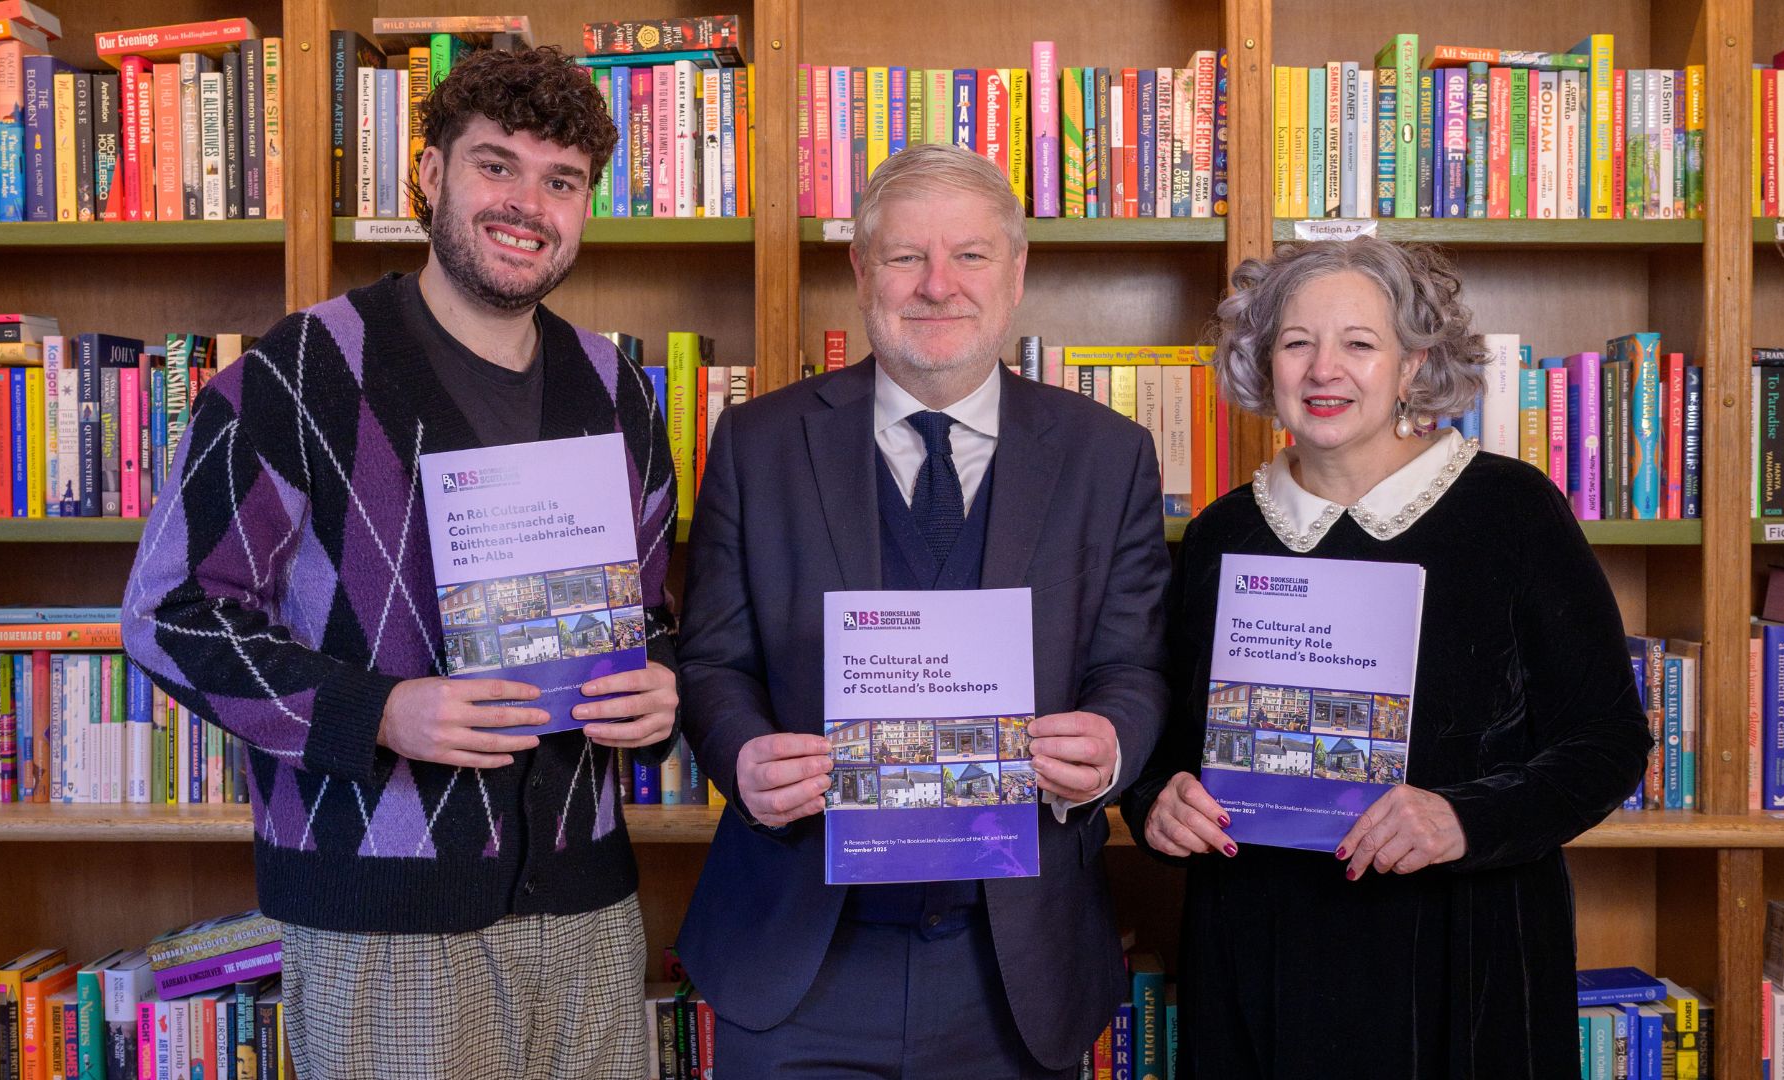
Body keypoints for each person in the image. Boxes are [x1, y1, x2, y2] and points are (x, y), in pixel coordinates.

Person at [121, 47, 680, 1080]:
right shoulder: (303, 372)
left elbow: (648, 615)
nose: (528, 204)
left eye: (561, 182)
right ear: (429, 176)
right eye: (495, 165)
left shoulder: (616, 387)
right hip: (382, 917)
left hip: (588, 908)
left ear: (587, 207)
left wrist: (660, 690)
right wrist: (376, 713)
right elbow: (172, 615)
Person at [675, 142, 1172, 1076]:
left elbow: (1134, 666)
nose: (938, 285)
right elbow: (711, 663)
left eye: (971, 256)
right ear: (863, 272)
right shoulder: (757, 443)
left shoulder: (1110, 455)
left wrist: (1109, 745)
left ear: (1016, 273)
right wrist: (739, 755)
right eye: (906, 256)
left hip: (1013, 963)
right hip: (801, 957)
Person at [1121, 237, 1654, 1078]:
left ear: (1413, 366)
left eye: (1359, 344)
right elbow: (1175, 745)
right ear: (1265, 364)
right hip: (1258, 953)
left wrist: (1464, 818)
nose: (1324, 369)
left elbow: (1608, 741)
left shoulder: (1510, 510)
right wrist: (1160, 804)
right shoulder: (1224, 533)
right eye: (1297, 343)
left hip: (1460, 955)